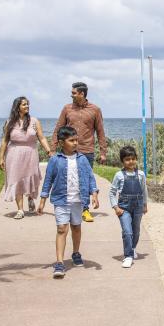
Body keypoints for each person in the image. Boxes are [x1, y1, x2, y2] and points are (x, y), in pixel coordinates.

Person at [38, 126, 100, 279]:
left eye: (76, 140)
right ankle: (59, 262)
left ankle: (76, 252)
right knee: (61, 229)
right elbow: (48, 180)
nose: (75, 143)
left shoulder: (82, 159)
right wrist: (42, 200)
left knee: (76, 228)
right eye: (71, 140)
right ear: (61, 142)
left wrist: (94, 193)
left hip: (78, 200)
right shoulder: (54, 160)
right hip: (61, 200)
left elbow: (90, 176)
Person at [52, 81, 107, 223]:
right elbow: (58, 129)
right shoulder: (67, 108)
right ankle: (67, 206)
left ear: (82, 94)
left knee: (85, 180)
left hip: (87, 150)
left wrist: (103, 152)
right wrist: (53, 149)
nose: (71, 95)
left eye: (74, 93)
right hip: (67, 150)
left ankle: (85, 209)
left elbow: (100, 131)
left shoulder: (95, 110)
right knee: (68, 178)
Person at [0, 96, 53, 219]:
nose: (27, 106)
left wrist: (49, 151)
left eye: (27, 104)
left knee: (31, 177)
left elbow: (42, 138)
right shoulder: (10, 122)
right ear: (17, 107)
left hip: (31, 153)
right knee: (16, 180)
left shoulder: (34, 121)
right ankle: (20, 210)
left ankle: (30, 198)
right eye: (24, 104)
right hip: (14, 154)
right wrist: (1, 157)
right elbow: (5, 141)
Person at [109, 145, 148, 268]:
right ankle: (128, 256)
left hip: (138, 206)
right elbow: (111, 193)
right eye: (127, 159)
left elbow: (144, 190)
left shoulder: (141, 174)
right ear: (122, 161)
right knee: (127, 231)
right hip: (123, 207)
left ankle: (133, 248)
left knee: (136, 230)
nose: (130, 162)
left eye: (133, 158)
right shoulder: (119, 175)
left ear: (136, 158)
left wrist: (145, 205)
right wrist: (116, 207)